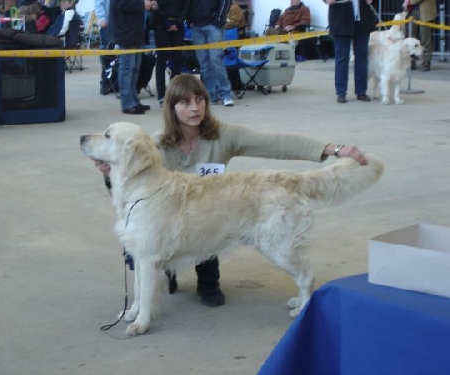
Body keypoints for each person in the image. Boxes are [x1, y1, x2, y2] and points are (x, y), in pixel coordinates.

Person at [95, 74, 369, 307]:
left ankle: (208, 282)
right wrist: (111, 174)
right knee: (143, 246)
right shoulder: (156, 145)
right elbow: (133, 196)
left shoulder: (223, 135)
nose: (195, 108)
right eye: (185, 102)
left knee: (210, 223)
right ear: (172, 108)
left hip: (212, 216)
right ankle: (168, 274)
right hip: (170, 222)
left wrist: (333, 148)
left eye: (200, 99)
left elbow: (275, 143)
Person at [107, 0, 156, 115]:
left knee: (135, 68)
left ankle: (134, 100)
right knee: (127, 68)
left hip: (136, 32)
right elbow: (119, 3)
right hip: (125, 32)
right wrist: (142, 4)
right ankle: (127, 104)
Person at [324, 0, 376, 104]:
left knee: (362, 57)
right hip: (341, 21)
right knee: (342, 57)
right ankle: (341, 92)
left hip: (362, 21)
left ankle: (361, 91)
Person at [188, 0, 235, 107]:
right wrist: (189, 19)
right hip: (196, 27)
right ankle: (210, 94)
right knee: (204, 63)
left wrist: (218, 21)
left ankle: (225, 94)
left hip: (214, 26)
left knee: (215, 60)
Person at [150, 0, 190, 107]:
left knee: (177, 60)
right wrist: (166, 23)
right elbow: (154, 6)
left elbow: (187, 5)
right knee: (161, 60)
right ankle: (162, 95)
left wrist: (178, 22)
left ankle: (174, 93)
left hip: (179, 25)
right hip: (160, 25)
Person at [402, 0, 436, 71]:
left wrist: (408, 2)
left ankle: (426, 63)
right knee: (412, 38)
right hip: (412, 11)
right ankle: (411, 63)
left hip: (425, 11)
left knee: (425, 38)